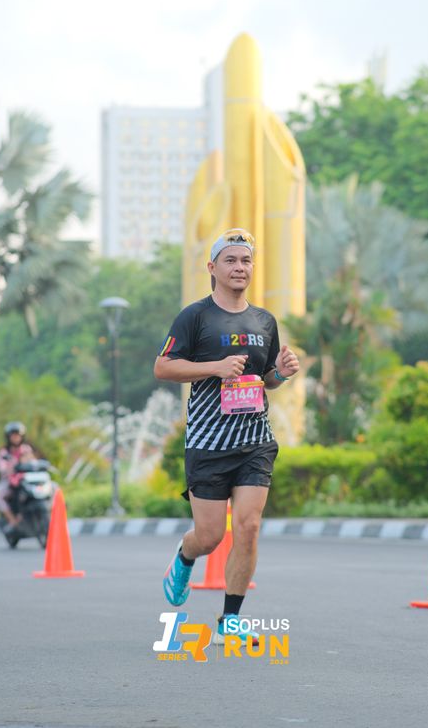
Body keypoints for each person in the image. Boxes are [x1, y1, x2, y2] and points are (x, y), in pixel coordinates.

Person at [154, 228, 300, 645]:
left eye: (246, 260)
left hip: (255, 440)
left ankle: (229, 621)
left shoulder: (264, 321)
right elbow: (163, 367)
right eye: (231, 260)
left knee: (249, 527)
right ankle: (186, 556)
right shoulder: (195, 316)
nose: (240, 267)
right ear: (212, 267)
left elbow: (266, 379)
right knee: (210, 536)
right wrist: (214, 367)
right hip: (208, 444)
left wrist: (281, 374)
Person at [0, 422, 35, 531]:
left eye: (18, 435)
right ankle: (12, 520)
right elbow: (3, 469)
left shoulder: (26, 449)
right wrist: (14, 466)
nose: (16, 438)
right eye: (13, 436)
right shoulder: (4, 452)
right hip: (9, 481)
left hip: (25, 479)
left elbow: (33, 463)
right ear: (8, 437)